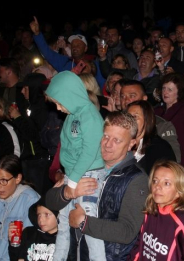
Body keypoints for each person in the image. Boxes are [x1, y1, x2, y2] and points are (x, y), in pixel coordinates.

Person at [45, 111, 149, 261]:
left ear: (131, 144)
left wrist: (84, 223)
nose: (108, 144)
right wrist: (68, 193)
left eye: (117, 140)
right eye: (105, 136)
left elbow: (127, 231)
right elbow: (50, 201)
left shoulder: (136, 179)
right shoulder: (83, 165)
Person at [44, 70, 106, 260]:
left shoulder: (90, 116)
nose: (58, 108)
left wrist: (72, 184)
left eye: (59, 102)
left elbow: (89, 151)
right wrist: (67, 178)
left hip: (88, 176)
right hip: (72, 175)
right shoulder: (72, 115)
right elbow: (68, 147)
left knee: (90, 231)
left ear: (69, 95)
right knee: (63, 225)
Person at [128, 160, 184, 260]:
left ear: (179, 191)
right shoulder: (151, 211)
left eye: (166, 183)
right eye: (155, 181)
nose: (157, 187)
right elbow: (139, 247)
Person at [154, 72, 184, 190]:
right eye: (164, 88)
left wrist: (182, 161)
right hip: (160, 164)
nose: (165, 92)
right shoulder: (157, 111)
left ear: (179, 92)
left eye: (170, 89)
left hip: (182, 165)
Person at [125, 100, 176, 175]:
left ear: (148, 120)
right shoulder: (123, 145)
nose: (130, 121)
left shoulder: (159, 148)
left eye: (135, 117)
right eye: (127, 117)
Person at [8, 195, 58, 261]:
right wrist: (13, 242)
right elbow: (15, 258)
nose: (41, 219)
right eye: (39, 215)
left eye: (47, 215)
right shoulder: (29, 233)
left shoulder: (65, 238)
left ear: (58, 215)